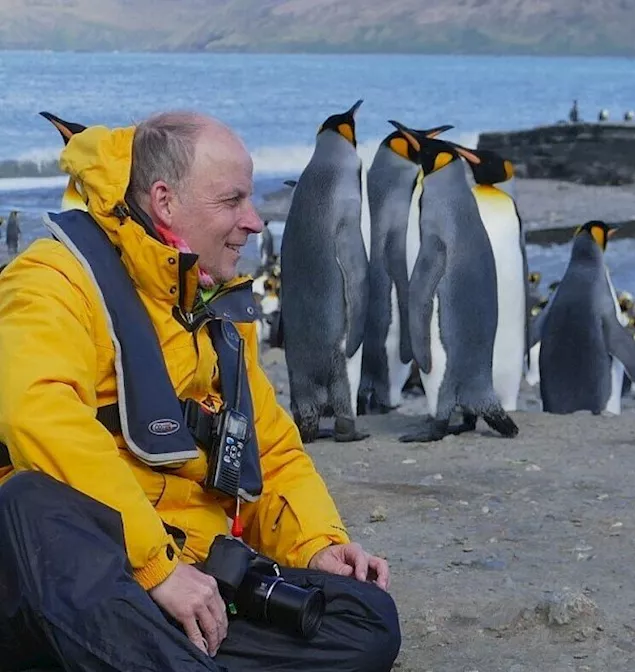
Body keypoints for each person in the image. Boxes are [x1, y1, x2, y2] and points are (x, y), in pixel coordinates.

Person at [0, 112, 401, 671]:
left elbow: (271, 449)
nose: (255, 221)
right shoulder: (54, 281)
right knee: (30, 501)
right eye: (232, 201)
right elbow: (36, 414)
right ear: (165, 202)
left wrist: (317, 544)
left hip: (187, 571)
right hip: (81, 575)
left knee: (365, 617)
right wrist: (155, 567)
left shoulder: (216, 311)